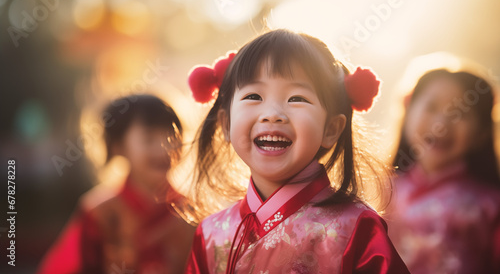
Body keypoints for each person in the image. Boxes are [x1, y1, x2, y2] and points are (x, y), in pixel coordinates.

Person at [183, 29, 409, 274]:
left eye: (296, 98)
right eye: (253, 95)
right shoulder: (210, 235)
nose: (272, 114)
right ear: (225, 124)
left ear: (331, 129)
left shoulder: (356, 228)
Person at [37, 94, 196, 274]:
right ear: (118, 147)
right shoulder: (99, 213)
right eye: (149, 139)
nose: (164, 149)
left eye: (171, 137)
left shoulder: (191, 212)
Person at [388, 67, 500, 273]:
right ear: (408, 110)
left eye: (461, 113)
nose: (441, 124)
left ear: (482, 132)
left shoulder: (491, 206)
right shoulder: (379, 190)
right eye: (431, 107)